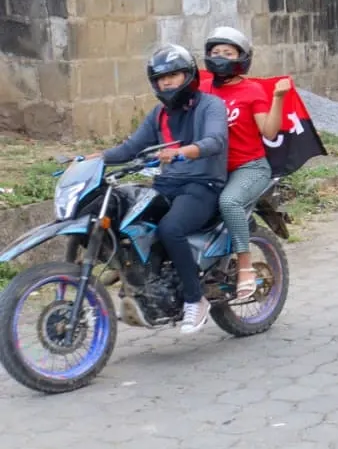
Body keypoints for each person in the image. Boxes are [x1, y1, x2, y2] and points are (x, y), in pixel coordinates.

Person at [85, 46, 228, 333]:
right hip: (167, 184)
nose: (167, 82)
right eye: (161, 78)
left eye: (173, 75)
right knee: (129, 223)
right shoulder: (158, 114)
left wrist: (183, 152)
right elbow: (131, 148)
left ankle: (195, 299)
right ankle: (142, 286)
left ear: (189, 75)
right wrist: (97, 157)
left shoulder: (211, 106)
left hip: (202, 185)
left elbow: (216, 140)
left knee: (170, 228)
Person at [201, 27, 289, 301]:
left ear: (242, 58)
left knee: (229, 203)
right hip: (211, 169)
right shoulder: (202, 89)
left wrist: (278, 98)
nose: (220, 58)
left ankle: (245, 267)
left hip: (249, 168)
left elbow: (270, 132)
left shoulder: (251, 91)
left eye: (227, 53)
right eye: (215, 53)